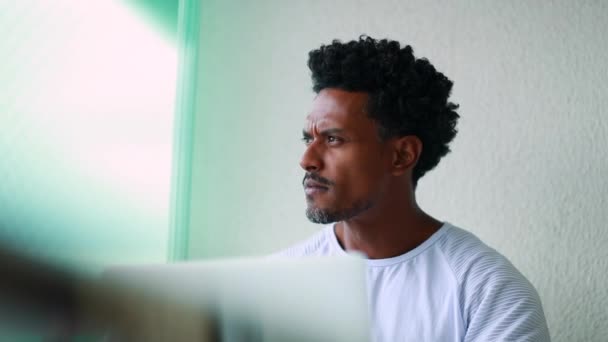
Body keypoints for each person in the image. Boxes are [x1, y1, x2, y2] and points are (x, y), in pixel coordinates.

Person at [278, 36, 550, 341]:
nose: (307, 160)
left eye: (333, 139)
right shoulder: (275, 288)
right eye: (308, 139)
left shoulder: (489, 293)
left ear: (402, 155)